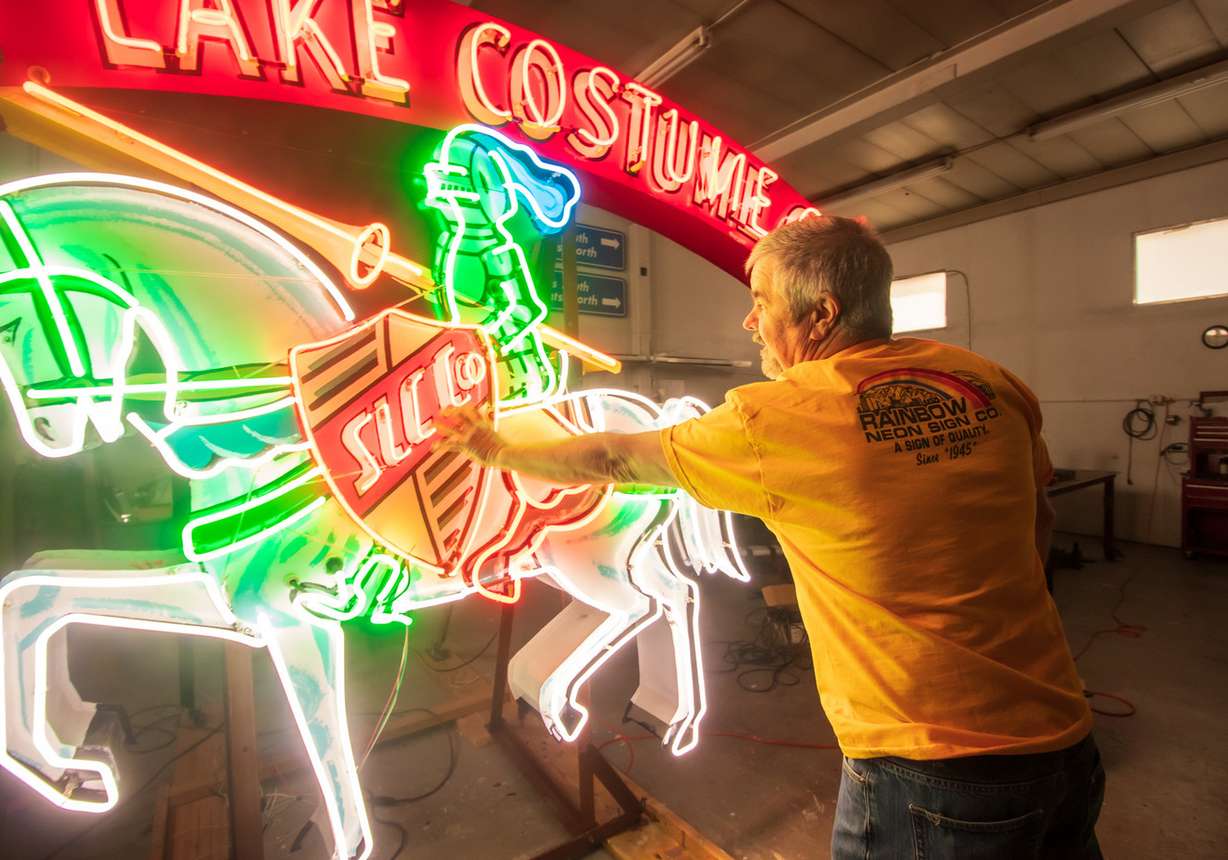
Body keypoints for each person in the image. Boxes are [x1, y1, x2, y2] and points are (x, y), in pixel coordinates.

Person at [436, 215, 1103, 859]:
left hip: (929, 770)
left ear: (822, 314)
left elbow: (613, 458)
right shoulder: (983, 379)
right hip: (1064, 736)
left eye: (762, 303)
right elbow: (1038, 515)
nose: (750, 321)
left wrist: (492, 448)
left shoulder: (783, 417)